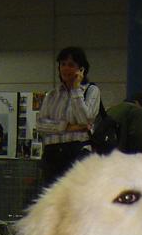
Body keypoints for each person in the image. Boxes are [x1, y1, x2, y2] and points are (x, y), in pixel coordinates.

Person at [36, 46, 100, 187]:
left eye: (71, 65)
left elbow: (85, 119)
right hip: (52, 153)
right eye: (63, 64)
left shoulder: (91, 91)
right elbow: (40, 124)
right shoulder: (52, 95)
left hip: (77, 152)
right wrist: (68, 127)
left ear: (81, 69)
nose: (65, 68)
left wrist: (76, 89)